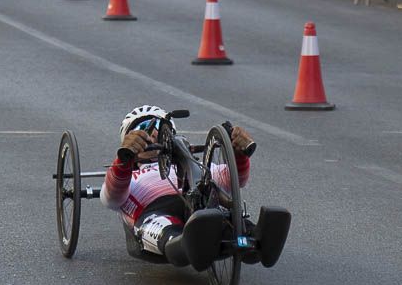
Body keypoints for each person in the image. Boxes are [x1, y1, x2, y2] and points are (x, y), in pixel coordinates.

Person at [101, 106, 289, 271]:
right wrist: (123, 160)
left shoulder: (194, 166)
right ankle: (187, 243)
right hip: (155, 212)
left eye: (158, 127)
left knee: (224, 214)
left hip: (200, 208)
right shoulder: (128, 176)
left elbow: (233, 180)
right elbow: (111, 197)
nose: (151, 134)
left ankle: (254, 238)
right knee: (165, 226)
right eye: (142, 129)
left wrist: (239, 155)